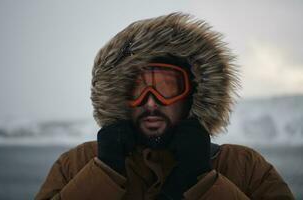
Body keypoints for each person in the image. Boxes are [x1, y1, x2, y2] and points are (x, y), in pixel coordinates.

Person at [35, 13, 294, 200]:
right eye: (136, 89)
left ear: (192, 94)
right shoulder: (76, 164)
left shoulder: (244, 167)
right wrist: (102, 175)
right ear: (119, 96)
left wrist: (204, 183)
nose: (150, 101)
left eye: (168, 86)